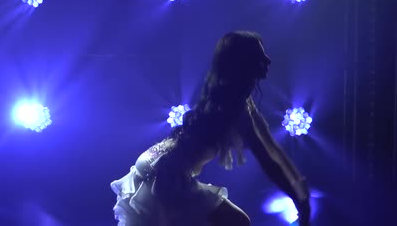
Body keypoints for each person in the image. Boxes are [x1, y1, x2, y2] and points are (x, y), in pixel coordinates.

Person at [110, 31, 311, 226]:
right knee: (238, 222)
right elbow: (267, 160)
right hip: (166, 173)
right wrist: (299, 202)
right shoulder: (235, 103)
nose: (268, 60)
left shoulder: (235, 96)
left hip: (153, 161)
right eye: (260, 56)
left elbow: (272, 148)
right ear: (245, 62)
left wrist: (299, 186)